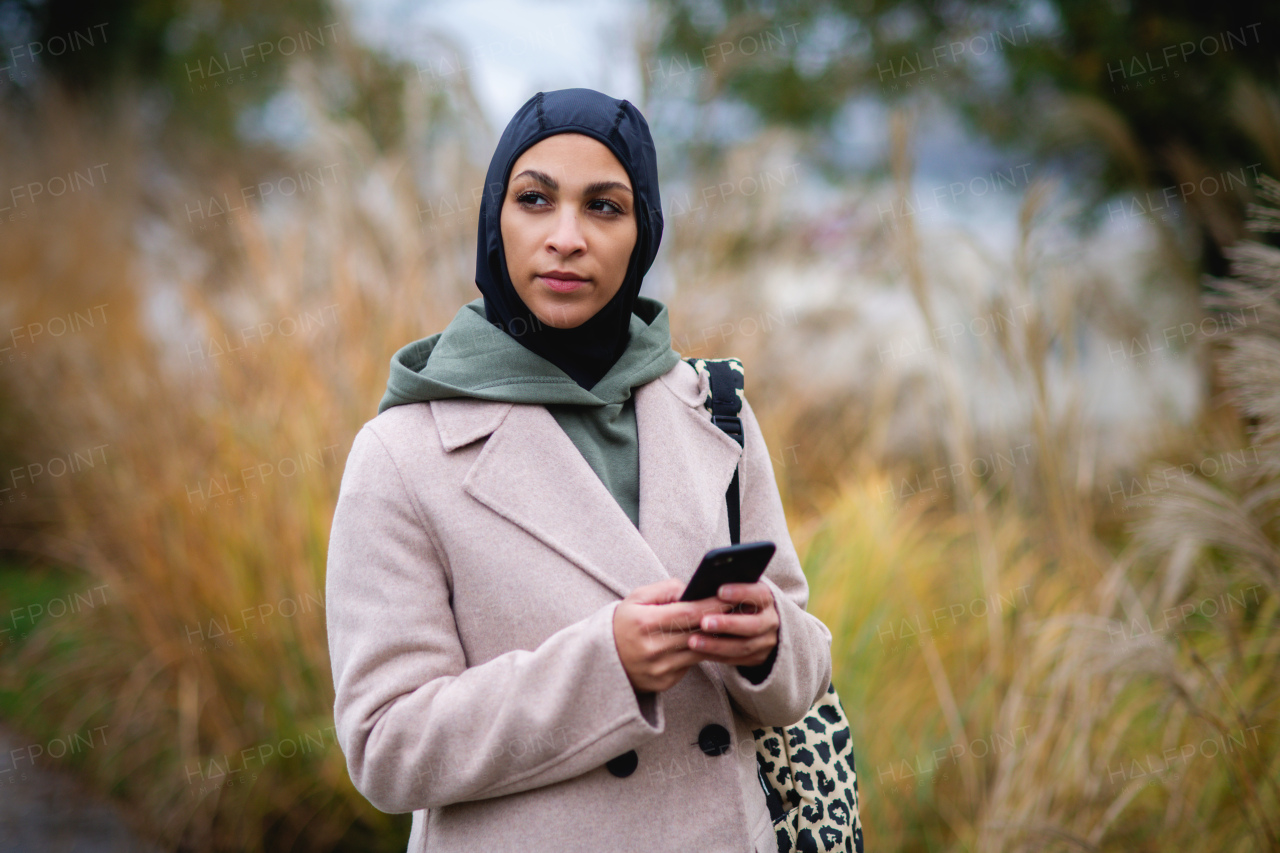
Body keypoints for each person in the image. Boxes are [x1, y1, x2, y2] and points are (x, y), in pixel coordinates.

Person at [325, 87, 834, 853]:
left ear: (644, 233)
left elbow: (807, 672)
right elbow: (387, 743)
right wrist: (609, 667)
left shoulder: (714, 407)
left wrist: (768, 642)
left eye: (604, 207)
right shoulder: (402, 452)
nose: (566, 237)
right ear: (496, 219)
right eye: (535, 200)